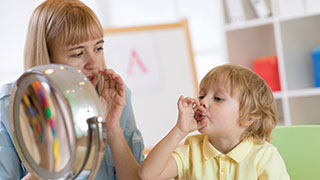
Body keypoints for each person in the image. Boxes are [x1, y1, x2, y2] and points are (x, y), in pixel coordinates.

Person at [0, 0, 144, 179]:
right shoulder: (7, 108)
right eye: (78, 54)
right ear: (48, 58)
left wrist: (113, 130)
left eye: (98, 48)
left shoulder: (114, 98)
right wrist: (53, 157)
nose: (94, 63)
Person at [138, 64, 290, 180]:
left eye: (218, 98)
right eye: (201, 95)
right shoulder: (192, 149)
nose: (202, 102)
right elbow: (148, 174)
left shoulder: (264, 157)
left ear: (248, 117)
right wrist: (180, 130)